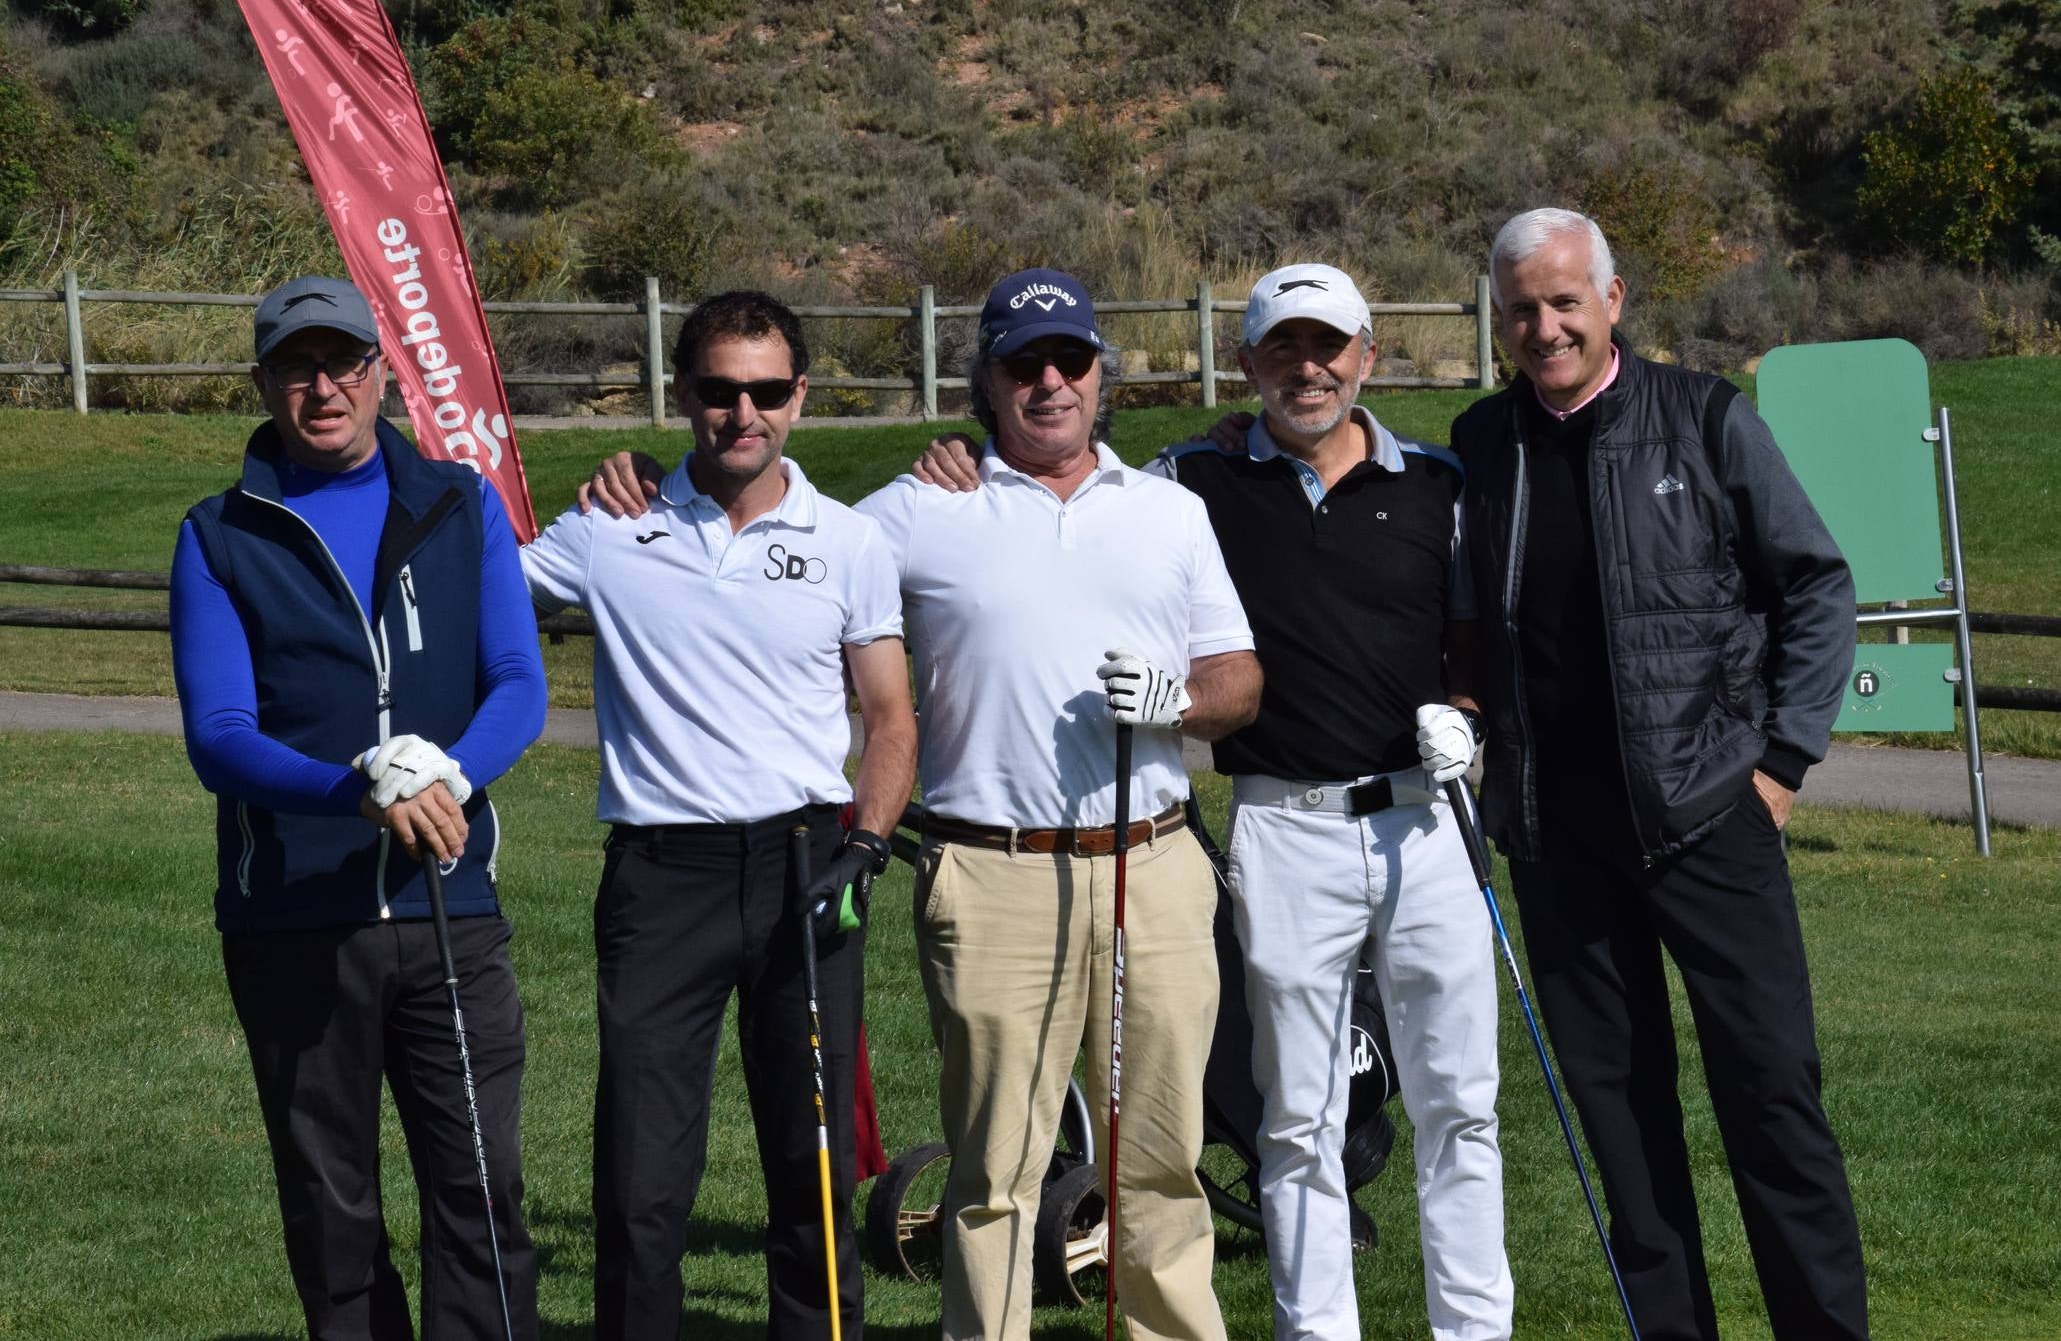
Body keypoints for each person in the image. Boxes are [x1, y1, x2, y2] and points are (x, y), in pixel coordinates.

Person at [584, 268, 1262, 1341]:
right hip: (989, 872)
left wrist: (1178, 701)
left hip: (1155, 864)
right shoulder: (908, 513)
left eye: (1070, 361)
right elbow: (774, 548)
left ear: (1101, 375)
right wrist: (642, 489)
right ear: (983, 383)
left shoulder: (1171, 512)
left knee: (1162, 1158)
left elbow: (1239, 685)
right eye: (1021, 365)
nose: (1049, 383)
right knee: (994, 1168)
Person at [914, 264, 1513, 1341]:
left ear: (1369, 356)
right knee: (1296, 1118)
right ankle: (1314, 1331)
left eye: (1330, 346)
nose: (1309, 369)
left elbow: (1472, 642)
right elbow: (1070, 491)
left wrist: (1467, 713)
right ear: (1248, 365)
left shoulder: (1439, 481)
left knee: (1461, 1105)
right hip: (1284, 824)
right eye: (1283, 349)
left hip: (1427, 817)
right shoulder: (1193, 479)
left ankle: (1474, 1331)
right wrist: (962, 458)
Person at [1451, 208, 1866, 1339]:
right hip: (1559, 844)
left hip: (1711, 822)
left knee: (1773, 1104)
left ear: (1615, 300)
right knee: (1625, 1131)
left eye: (1565, 303)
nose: (1546, 328)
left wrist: (1779, 766)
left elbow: (1819, 587)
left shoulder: (1706, 418)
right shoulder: (1483, 444)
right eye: (1523, 309)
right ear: (1502, 320)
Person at [533, 290, 917, 1341]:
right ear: (684, 394)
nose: (741, 413)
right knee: (643, 1172)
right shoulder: (613, 529)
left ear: (799, 397)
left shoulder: (847, 542)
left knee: (814, 1159)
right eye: (717, 390)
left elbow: (889, 717)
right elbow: (471, 584)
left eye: (765, 391)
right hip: (664, 880)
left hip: (812, 865)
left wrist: (871, 845)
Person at [170, 274, 547, 1339]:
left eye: (344, 363)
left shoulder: (458, 504)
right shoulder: (219, 534)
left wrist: (448, 778)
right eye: (298, 368)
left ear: (383, 372)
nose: (324, 387)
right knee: (332, 1213)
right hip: (294, 920)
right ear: (263, 384)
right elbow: (221, 736)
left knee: (479, 1193)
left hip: (451, 911)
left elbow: (518, 682)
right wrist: (358, 788)